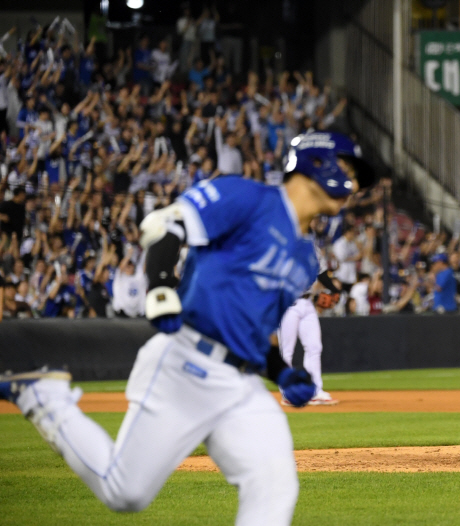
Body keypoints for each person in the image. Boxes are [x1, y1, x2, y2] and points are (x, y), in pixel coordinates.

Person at [0, 132, 375, 525]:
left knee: (274, 487)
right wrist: (161, 285)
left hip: (241, 384)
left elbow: (252, 329)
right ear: (317, 162)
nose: (352, 186)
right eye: (347, 170)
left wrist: (281, 371)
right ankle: (43, 397)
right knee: (125, 492)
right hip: (187, 362)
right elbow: (165, 224)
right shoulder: (249, 197)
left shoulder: (302, 256)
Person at [278, 261, 342, 406]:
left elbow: (322, 273)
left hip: (307, 302)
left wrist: (334, 289)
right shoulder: (283, 243)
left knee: (314, 347)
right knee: (286, 351)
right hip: (287, 302)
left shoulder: (312, 247)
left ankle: (315, 391)